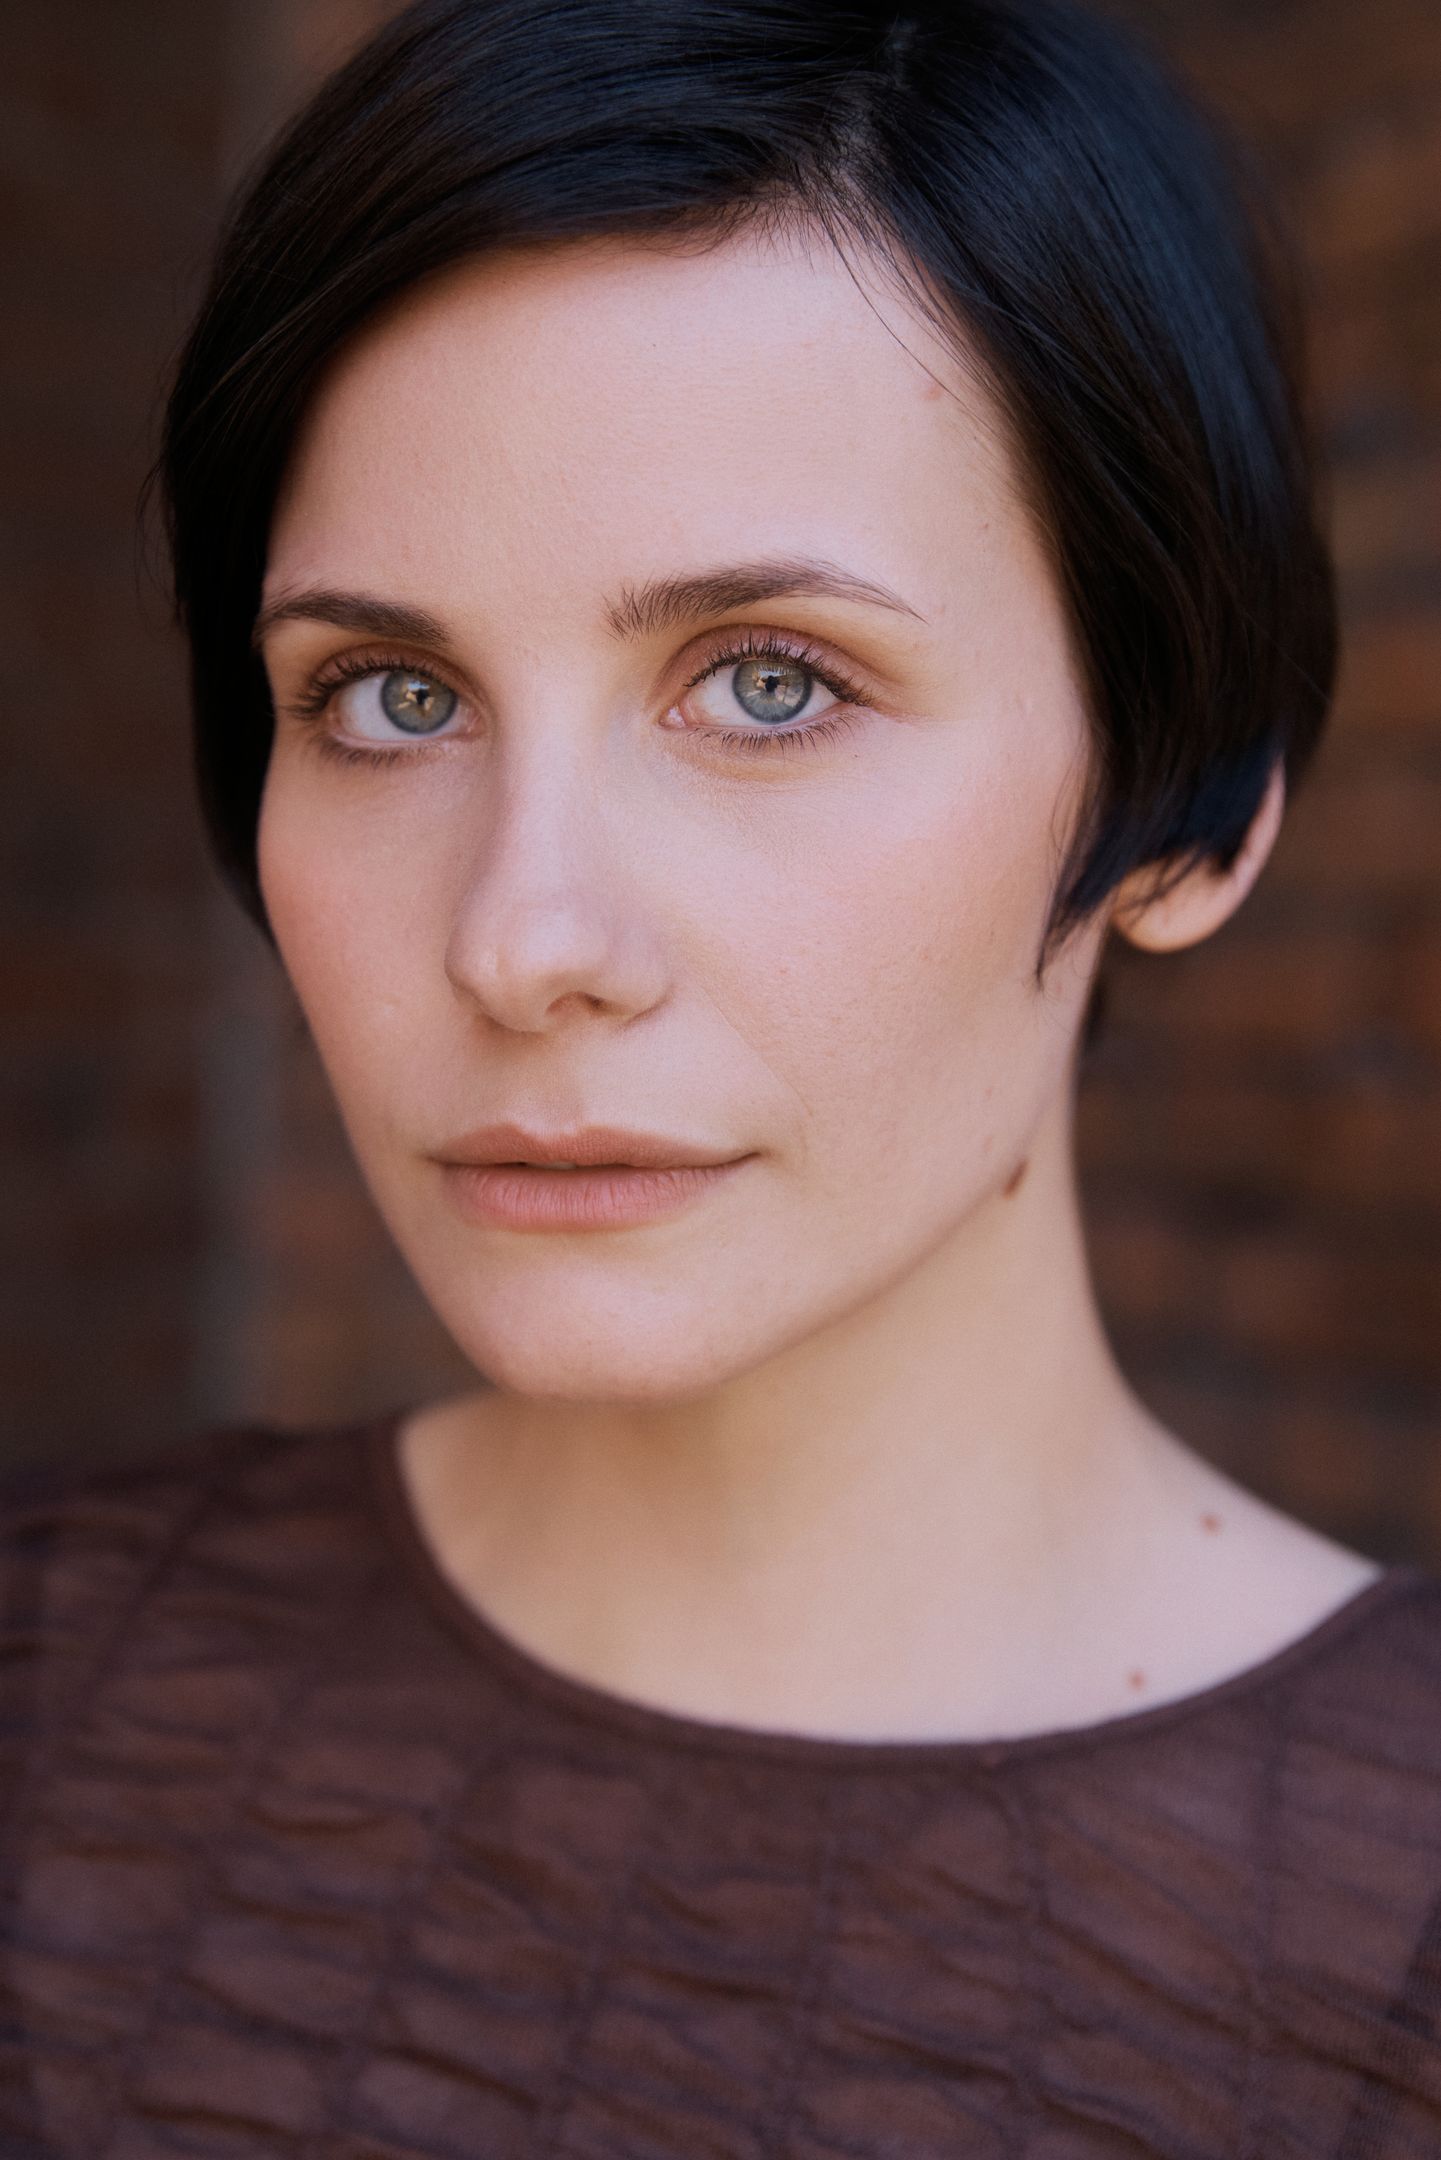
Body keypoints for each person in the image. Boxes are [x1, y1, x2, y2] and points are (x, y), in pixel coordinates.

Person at [4, 0, 1439, 2150]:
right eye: (389, 695)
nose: (522, 941)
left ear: (1194, 803)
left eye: (768, 685)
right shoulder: (42, 1689)